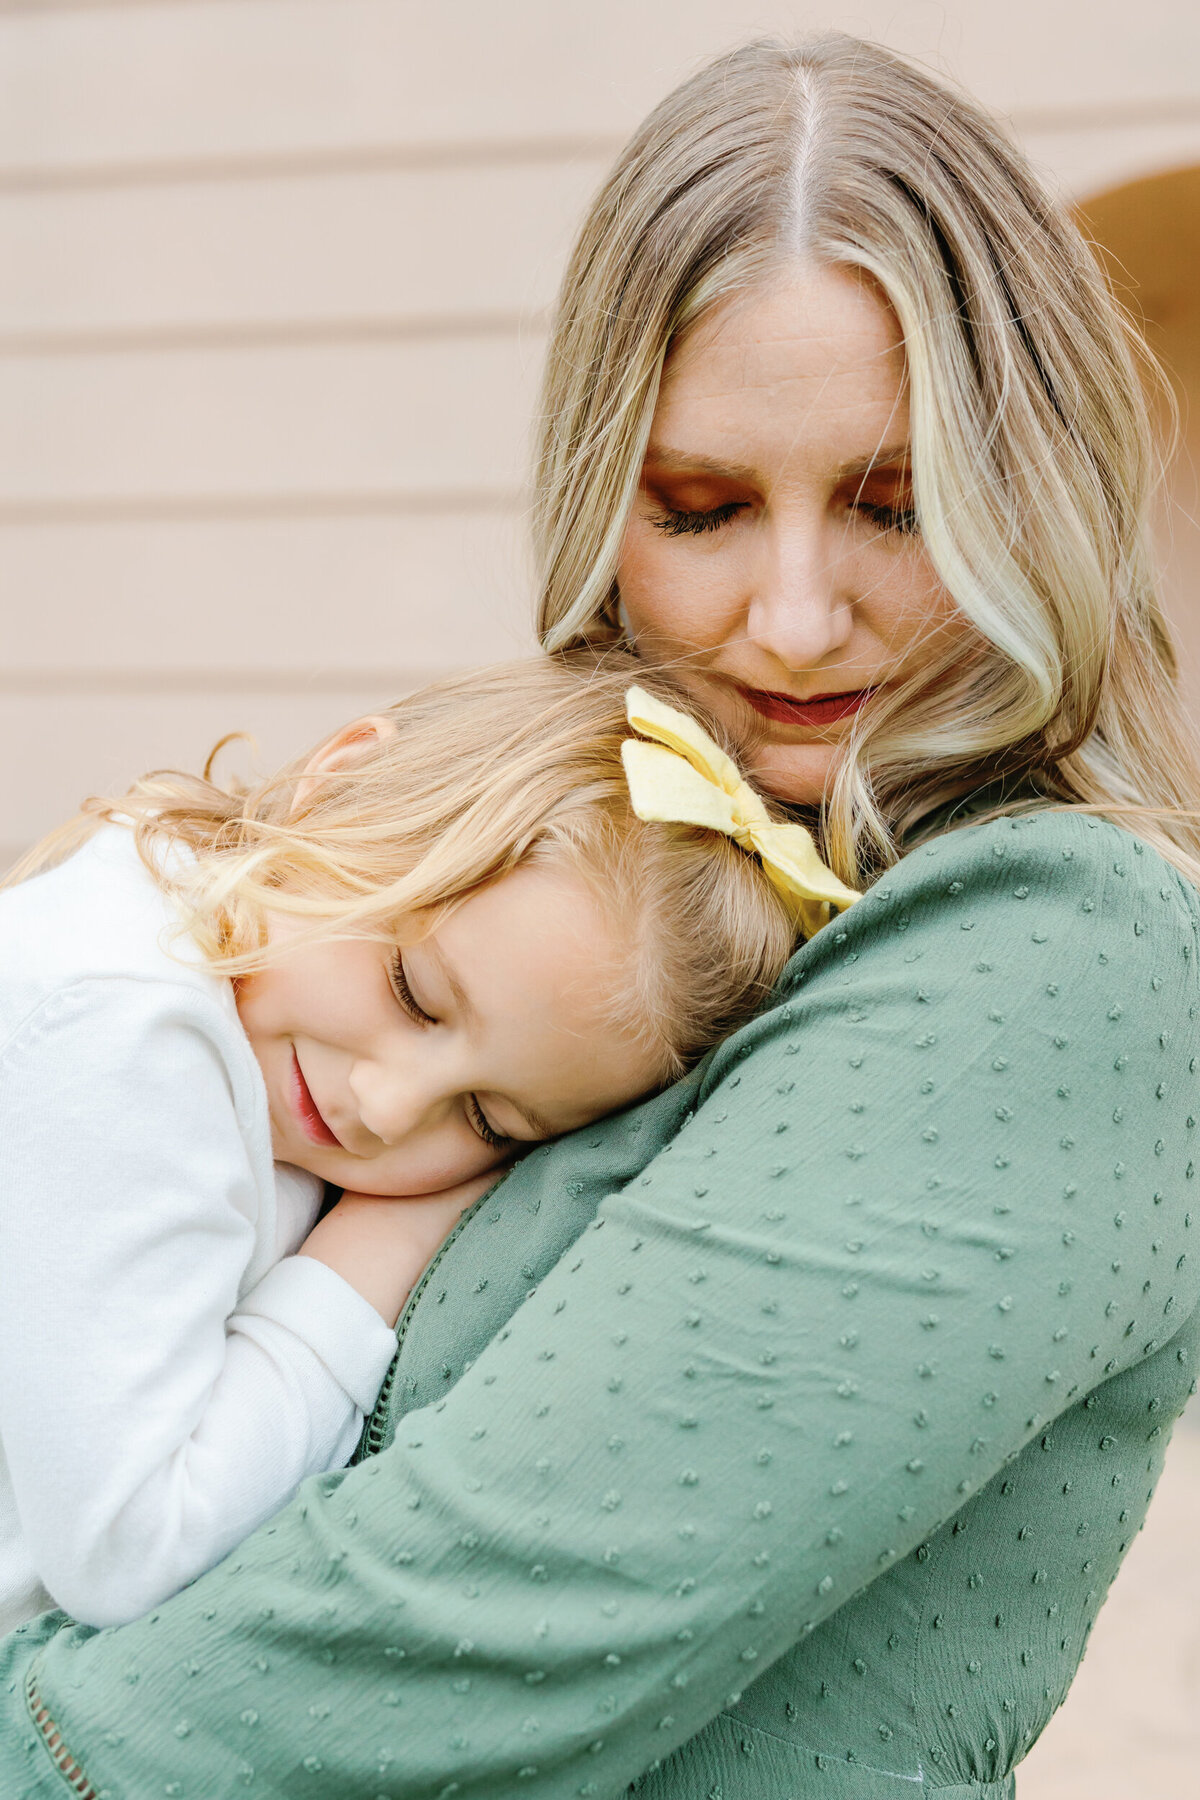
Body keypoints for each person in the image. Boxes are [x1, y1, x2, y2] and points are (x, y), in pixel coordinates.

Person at [2, 29, 1199, 1800]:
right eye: (701, 509)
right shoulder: (595, 914)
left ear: (1037, 488)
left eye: (895, 504)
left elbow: (430, 1644)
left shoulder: (1059, 951)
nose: (795, 621)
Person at [0, 652, 849, 1634]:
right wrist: (376, 1249)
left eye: (490, 1121)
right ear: (344, 779)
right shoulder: (126, 1026)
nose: (388, 1108)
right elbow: (131, 1551)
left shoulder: (215, 997)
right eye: (413, 991)